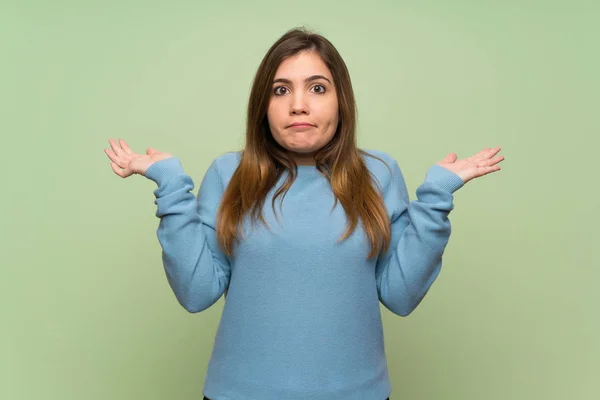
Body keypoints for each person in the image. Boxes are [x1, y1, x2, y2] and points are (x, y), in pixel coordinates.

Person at [104, 27, 503, 400]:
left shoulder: (379, 174)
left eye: (317, 88)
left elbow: (400, 295)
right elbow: (196, 292)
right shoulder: (229, 174)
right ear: (263, 106)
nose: (298, 105)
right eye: (281, 90)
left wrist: (435, 199)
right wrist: (171, 185)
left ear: (340, 100)